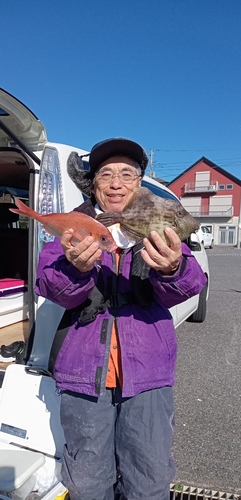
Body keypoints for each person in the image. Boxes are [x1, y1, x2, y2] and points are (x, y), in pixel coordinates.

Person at [35, 138, 207, 500]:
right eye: (106, 174)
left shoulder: (158, 223)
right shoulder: (76, 225)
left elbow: (192, 283)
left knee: (149, 480)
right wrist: (75, 268)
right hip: (83, 377)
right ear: (93, 183)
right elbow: (50, 285)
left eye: (127, 174)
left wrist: (173, 267)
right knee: (87, 483)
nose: (116, 183)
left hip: (148, 375)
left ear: (139, 182)